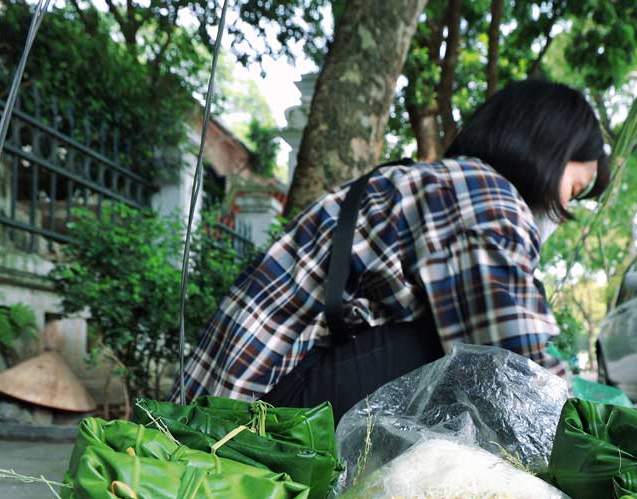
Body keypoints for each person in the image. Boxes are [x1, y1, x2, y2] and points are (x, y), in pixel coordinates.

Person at [173, 78, 609, 419]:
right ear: (549, 151)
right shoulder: (486, 196)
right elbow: (517, 362)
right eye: (575, 186)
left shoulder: (446, 181)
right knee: (473, 362)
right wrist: (586, 427)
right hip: (258, 411)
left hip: (236, 398)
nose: (566, 205)